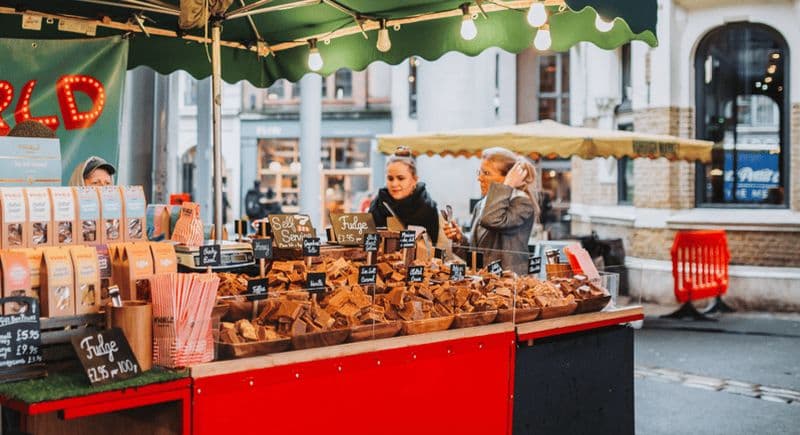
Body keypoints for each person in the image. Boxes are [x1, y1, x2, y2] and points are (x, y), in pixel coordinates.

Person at [444, 147, 538, 275]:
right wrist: (460, 240)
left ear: (509, 177)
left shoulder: (522, 203)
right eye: (480, 172)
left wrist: (507, 185)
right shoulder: (481, 205)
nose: (480, 178)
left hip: (509, 287)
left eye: (486, 173)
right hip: (484, 284)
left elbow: (491, 220)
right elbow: (475, 256)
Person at [369, 146, 441, 245]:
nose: (394, 184)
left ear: (414, 179)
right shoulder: (378, 204)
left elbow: (433, 245)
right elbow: (370, 242)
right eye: (390, 178)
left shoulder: (427, 207)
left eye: (401, 178)